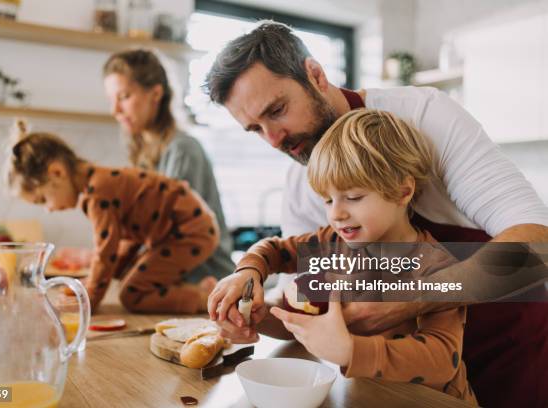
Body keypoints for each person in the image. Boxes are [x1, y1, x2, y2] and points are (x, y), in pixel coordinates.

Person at [204, 21, 548, 407]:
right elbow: (310, 302)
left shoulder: (427, 117)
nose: (273, 139)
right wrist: (251, 298)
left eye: (278, 110)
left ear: (315, 75)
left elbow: (537, 248)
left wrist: (402, 299)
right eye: (255, 129)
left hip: (507, 351)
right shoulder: (304, 188)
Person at [209, 109, 477, 404]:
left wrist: (350, 351)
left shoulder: (436, 266)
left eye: (353, 197)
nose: (336, 213)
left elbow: (441, 360)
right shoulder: (332, 243)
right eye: (328, 199)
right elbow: (273, 251)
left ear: (403, 191)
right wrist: (253, 293)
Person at [6, 120, 219, 314]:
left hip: (189, 231)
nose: (48, 209)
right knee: (126, 275)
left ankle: (203, 299)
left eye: (43, 199)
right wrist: (91, 282)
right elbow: (124, 242)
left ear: (57, 173)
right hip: (185, 228)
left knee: (132, 295)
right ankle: (200, 290)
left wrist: (89, 299)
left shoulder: (98, 193)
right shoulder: (100, 182)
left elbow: (106, 252)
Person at [103, 49, 234, 284]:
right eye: (111, 100)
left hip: (206, 281)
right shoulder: (145, 154)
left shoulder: (183, 150)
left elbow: (163, 232)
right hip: (173, 280)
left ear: (155, 93)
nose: (115, 110)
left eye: (123, 97)